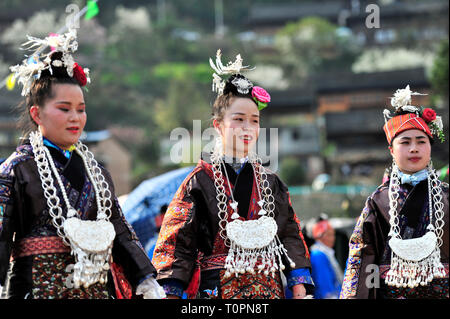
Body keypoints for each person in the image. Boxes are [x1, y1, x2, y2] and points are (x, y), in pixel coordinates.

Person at [0, 29, 165, 299]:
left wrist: (145, 278)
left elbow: (120, 229)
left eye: (81, 108)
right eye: (64, 109)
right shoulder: (16, 170)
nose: (75, 117)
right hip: (35, 290)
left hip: (97, 290)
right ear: (36, 113)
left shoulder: (98, 173)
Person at [152, 50, 314, 299]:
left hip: (268, 290)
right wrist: (170, 291)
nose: (247, 128)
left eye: (254, 120)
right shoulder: (198, 181)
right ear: (218, 125)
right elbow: (177, 243)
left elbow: (289, 233)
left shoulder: (271, 182)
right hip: (217, 290)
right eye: (239, 119)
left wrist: (299, 284)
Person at [340, 85, 448, 299]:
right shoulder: (378, 200)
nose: (414, 148)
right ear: (391, 150)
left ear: (430, 147)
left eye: (421, 142)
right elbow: (362, 254)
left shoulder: (447, 196)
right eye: (405, 142)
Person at [309, 218, 343, 299]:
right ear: (320, 236)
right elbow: (324, 285)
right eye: (330, 235)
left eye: (333, 235)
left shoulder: (326, 253)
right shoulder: (318, 255)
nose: (333, 238)